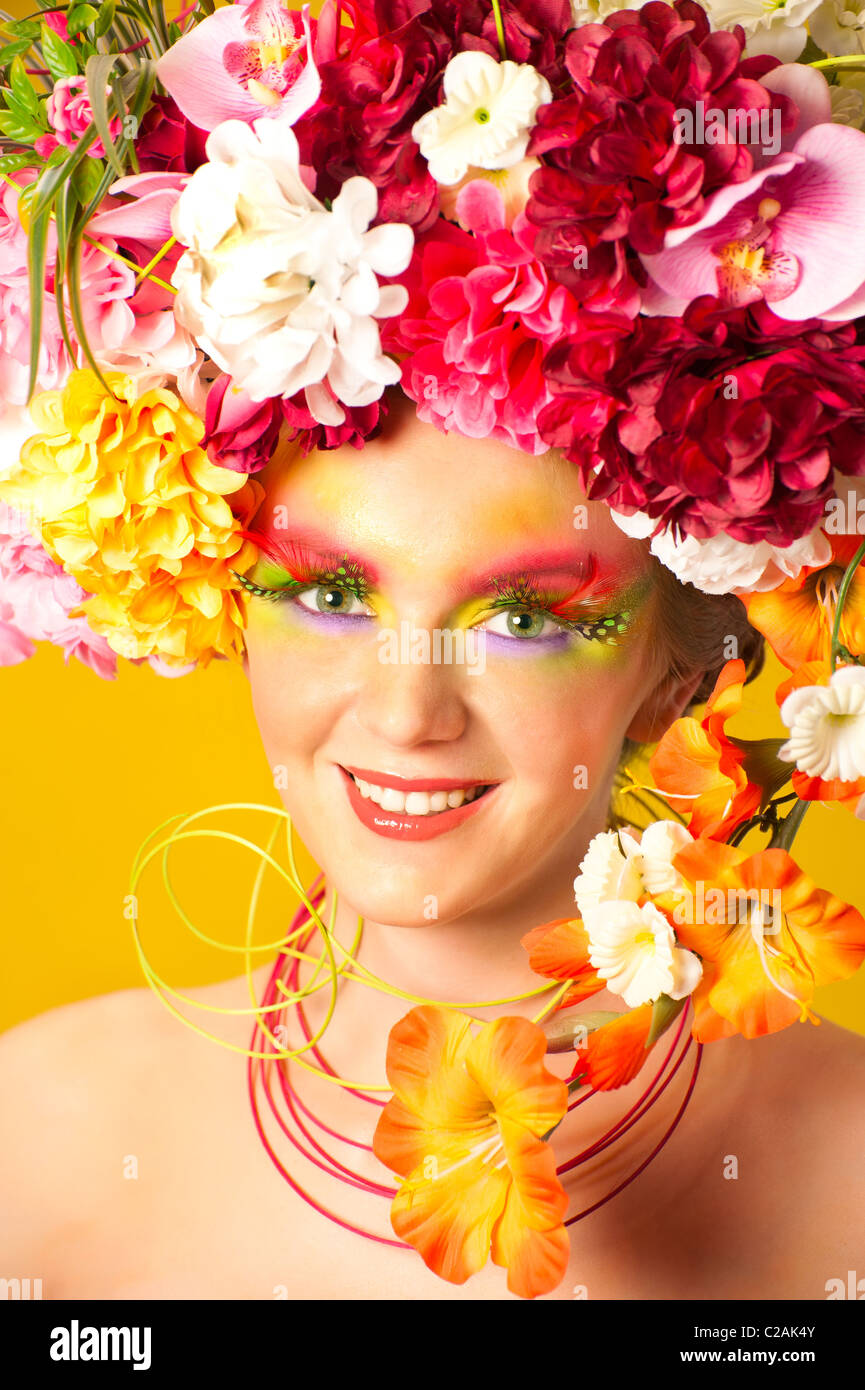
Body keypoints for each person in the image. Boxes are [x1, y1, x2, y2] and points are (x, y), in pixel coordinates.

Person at [2, 391, 865, 1301]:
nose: (406, 714)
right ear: (231, 616)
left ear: (677, 679)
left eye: (523, 620)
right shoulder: (40, 1133)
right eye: (331, 596)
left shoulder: (844, 1178)